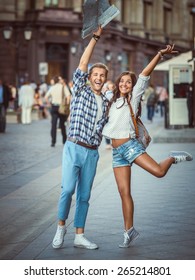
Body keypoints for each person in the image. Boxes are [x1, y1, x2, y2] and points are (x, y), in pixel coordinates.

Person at [102, 44, 193, 248]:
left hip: (131, 147)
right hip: (118, 153)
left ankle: (172, 157)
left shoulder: (132, 99)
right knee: (124, 193)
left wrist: (159, 55)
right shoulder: (111, 100)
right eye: (122, 81)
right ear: (117, 83)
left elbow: (144, 74)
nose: (125, 84)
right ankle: (129, 231)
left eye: (128, 82)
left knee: (159, 172)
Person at [52, 26, 109, 250]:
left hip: (92, 152)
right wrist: (95, 38)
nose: (98, 78)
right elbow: (83, 62)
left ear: (105, 80)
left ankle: (79, 235)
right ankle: (60, 228)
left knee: (84, 195)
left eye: (102, 76)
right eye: (95, 75)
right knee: (67, 190)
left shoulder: (106, 102)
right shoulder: (80, 91)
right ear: (90, 77)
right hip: (73, 147)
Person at [45, 76, 71, 147]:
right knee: (62, 125)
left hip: (54, 107)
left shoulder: (52, 88)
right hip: (62, 107)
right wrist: (67, 105)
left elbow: (46, 97)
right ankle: (64, 141)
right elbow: (68, 96)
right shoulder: (63, 87)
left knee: (53, 125)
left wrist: (49, 104)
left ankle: (53, 142)